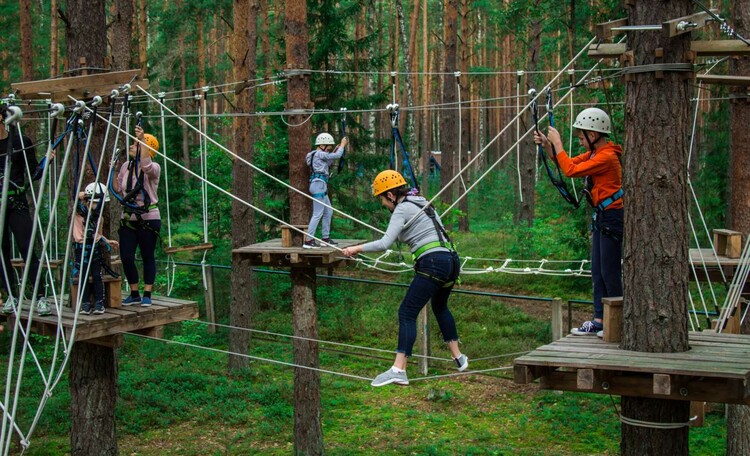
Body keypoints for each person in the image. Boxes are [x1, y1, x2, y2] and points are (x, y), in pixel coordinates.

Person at [341, 170, 468, 386]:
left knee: (407, 312)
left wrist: (356, 249)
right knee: (440, 306)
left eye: (382, 198)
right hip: (451, 262)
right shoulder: (421, 201)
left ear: (391, 195)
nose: (383, 204)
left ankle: (399, 369)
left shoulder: (401, 209)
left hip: (432, 263)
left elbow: (384, 243)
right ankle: (459, 357)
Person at [533, 107, 623, 337]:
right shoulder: (595, 154)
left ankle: (616, 321)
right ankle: (600, 320)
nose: (581, 142)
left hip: (613, 217)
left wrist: (559, 143)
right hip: (603, 217)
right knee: (597, 271)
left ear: (593, 136)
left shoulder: (606, 156)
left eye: (582, 137)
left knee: (609, 271)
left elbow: (571, 170)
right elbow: (569, 162)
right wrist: (548, 146)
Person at [0, 117, 52, 316]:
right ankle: (10, 295)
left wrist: (46, 161)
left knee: (26, 247)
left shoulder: (20, 142)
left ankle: (40, 297)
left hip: (16, 202)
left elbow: (33, 172)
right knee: (1, 249)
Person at [114, 125, 161, 307]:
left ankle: (147, 293)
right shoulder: (127, 166)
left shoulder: (154, 167)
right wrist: (113, 170)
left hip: (148, 217)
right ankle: (134, 292)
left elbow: (147, 166)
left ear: (146, 148)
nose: (132, 146)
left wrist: (142, 140)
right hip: (129, 218)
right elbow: (118, 188)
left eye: (136, 144)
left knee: (147, 255)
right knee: (126, 256)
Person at [72, 183, 119, 315]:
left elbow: (97, 235)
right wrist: (82, 196)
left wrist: (107, 241)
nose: (97, 206)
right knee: (83, 276)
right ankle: (85, 303)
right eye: (95, 203)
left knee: (97, 275)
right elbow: (76, 200)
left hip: (94, 249)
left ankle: (99, 302)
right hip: (81, 249)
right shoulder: (79, 213)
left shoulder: (99, 218)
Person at [303, 133, 347, 249]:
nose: (329, 149)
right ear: (322, 145)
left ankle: (325, 238)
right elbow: (337, 156)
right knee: (317, 214)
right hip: (319, 184)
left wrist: (335, 151)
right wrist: (342, 145)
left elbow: (328, 163)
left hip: (320, 184)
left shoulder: (315, 155)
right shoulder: (319, 154)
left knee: (328, 211)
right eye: (328, 146)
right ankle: (308, 240)